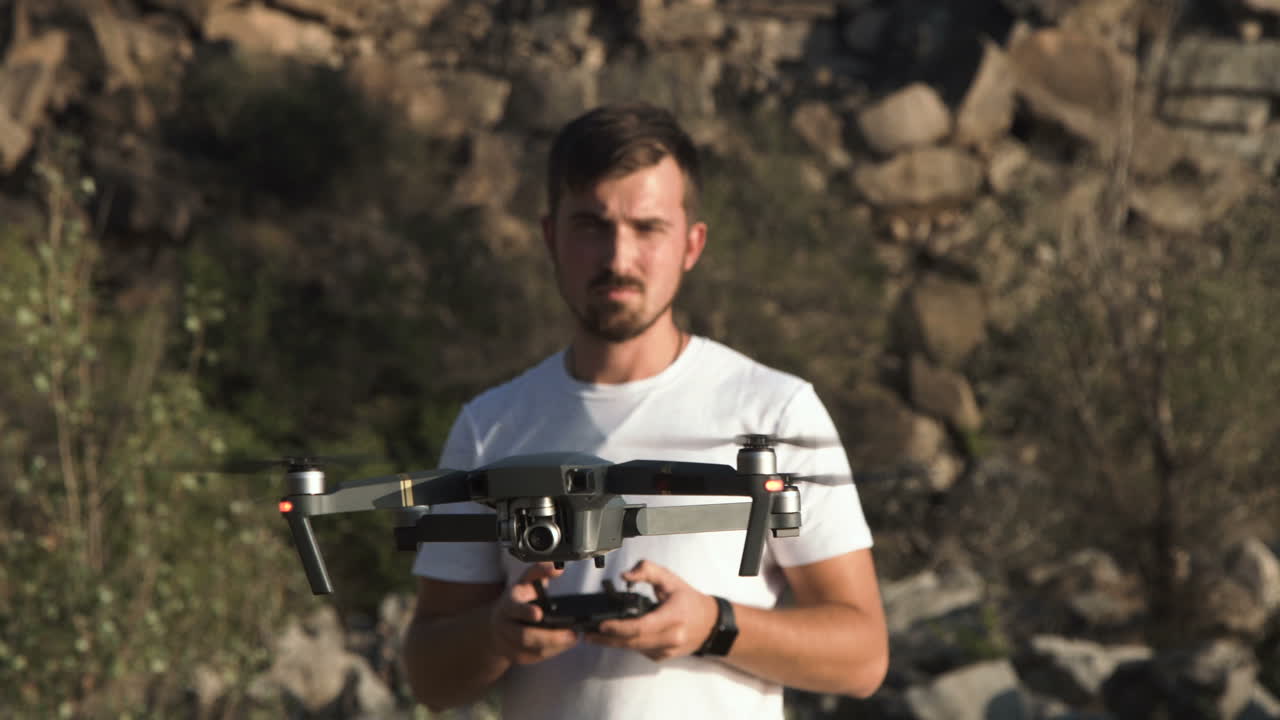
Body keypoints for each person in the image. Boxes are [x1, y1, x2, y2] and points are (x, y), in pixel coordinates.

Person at [402, 103, 888, 720]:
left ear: (692, 243)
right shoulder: (489, 425)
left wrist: (716, 625)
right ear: (550, 237)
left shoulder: (778, 411)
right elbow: (429, 675)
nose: (618, 257)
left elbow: (864, 656)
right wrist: (498, 636)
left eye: (647, 227)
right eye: (591, 225)